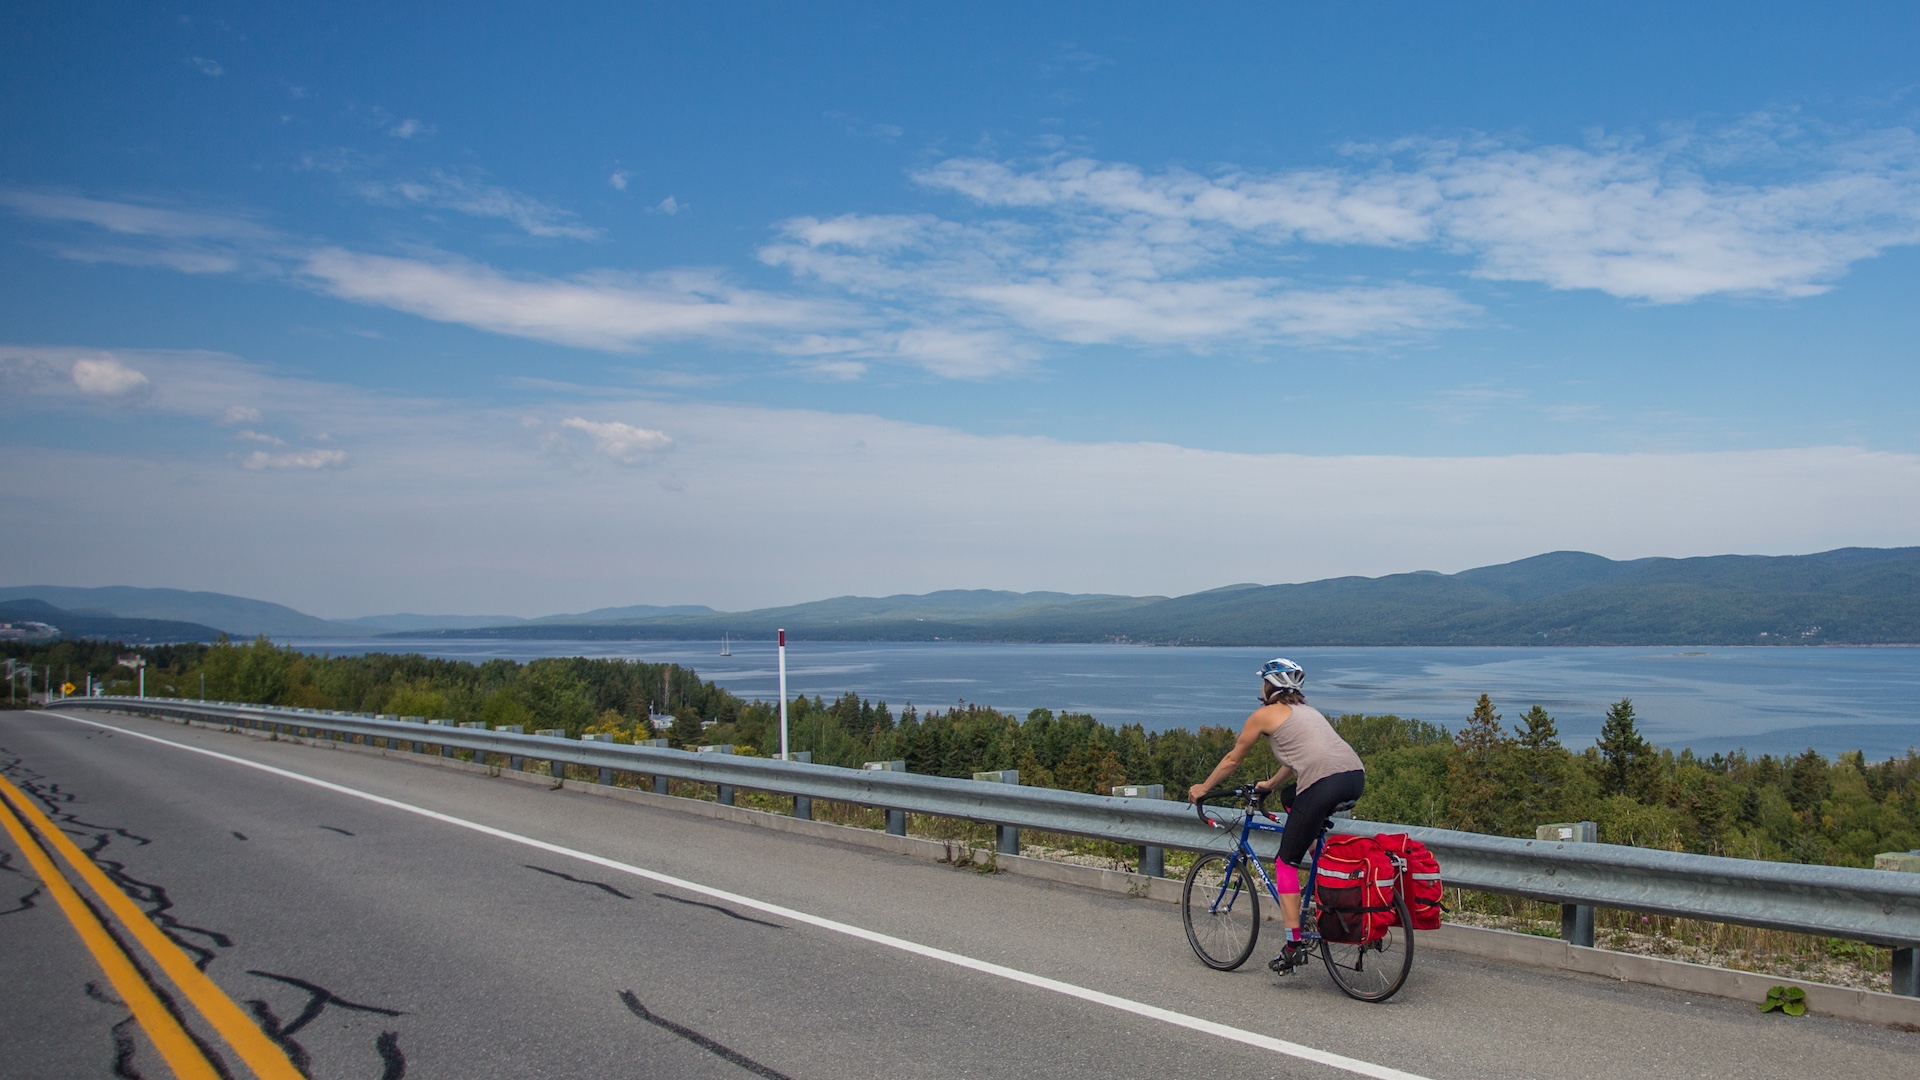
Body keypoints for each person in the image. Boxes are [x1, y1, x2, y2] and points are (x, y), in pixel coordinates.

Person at [1187, 657, 1365, 974]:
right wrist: (1269, 784)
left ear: (1270, 686)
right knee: (1289, 797)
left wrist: (1204, 786)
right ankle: (1322, 863)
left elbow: (1232, 760)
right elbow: (1299, 756)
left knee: (1284, 862)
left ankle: (1293, 944)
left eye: (1263, 682)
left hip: (1323, 783)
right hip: (1353, 777)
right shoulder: (1308, 713)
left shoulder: (1264, 715)